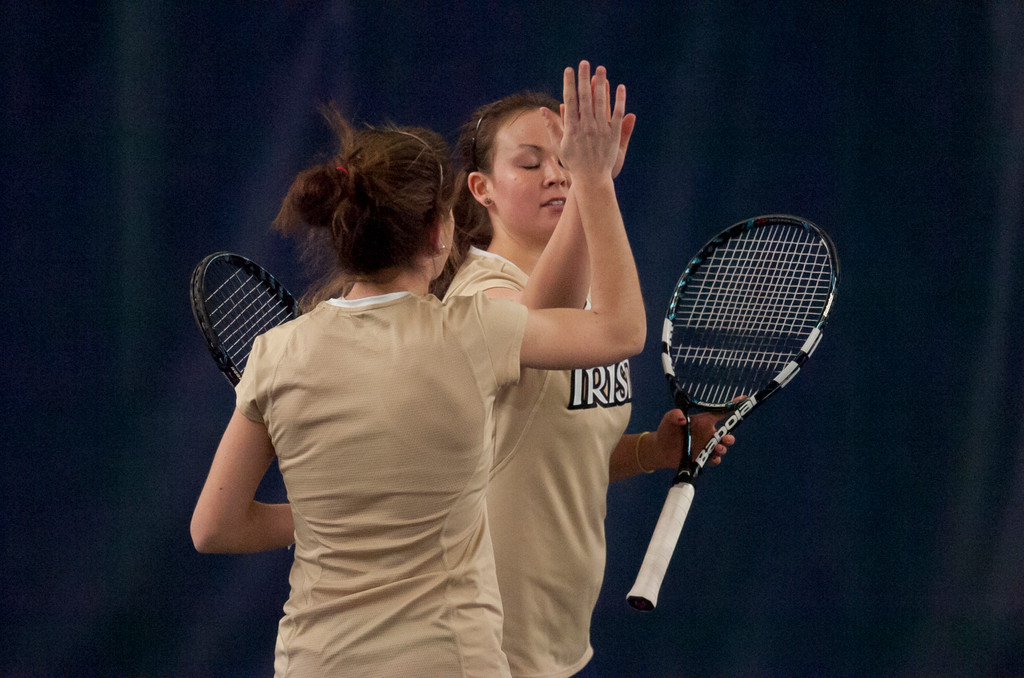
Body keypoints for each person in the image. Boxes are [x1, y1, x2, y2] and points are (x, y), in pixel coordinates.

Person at [190, 61, 646, 678]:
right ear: (440, 232)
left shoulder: (276, 353)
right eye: (530, 162)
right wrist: (594, 182)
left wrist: (334, 514)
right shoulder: (472, 331)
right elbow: (620, 332)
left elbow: (214, 528)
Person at [434, 81, 736, 677]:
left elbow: (558, 453)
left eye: (566, 157)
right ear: (481, 189)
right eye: (530, 162)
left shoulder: (594, 300)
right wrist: (594, 183)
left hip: (557, 633)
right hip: (471, 639)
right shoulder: (479, 296)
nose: (557, 173)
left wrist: (652, 450)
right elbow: (549, 320)